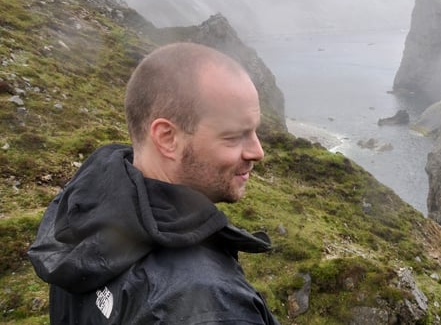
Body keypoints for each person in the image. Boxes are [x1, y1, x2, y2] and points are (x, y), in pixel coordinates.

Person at [28, 42, 280, 324]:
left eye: (255, 131)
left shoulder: (84, 211)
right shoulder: (209, 303)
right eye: (234, 136)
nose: (258, 152)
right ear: (167, 138)